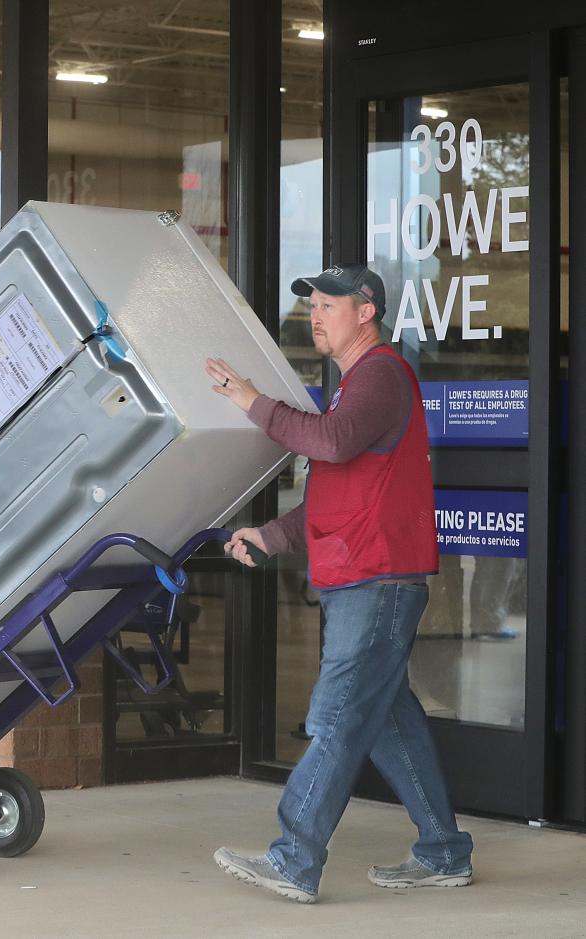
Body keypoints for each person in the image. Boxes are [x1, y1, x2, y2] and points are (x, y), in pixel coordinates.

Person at [204, 264, 474, 904]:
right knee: (385, 720)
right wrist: (270, 536)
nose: (316, 315)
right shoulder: (355, 384)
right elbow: (337, 489)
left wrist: (253, 402)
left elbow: (329, 444)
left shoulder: (379, 374)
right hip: (365, 575)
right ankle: (443, 853)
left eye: (328, 305)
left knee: (337, 715)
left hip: (378, 579)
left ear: (366, 311)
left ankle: (294, 858)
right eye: (314, 306)